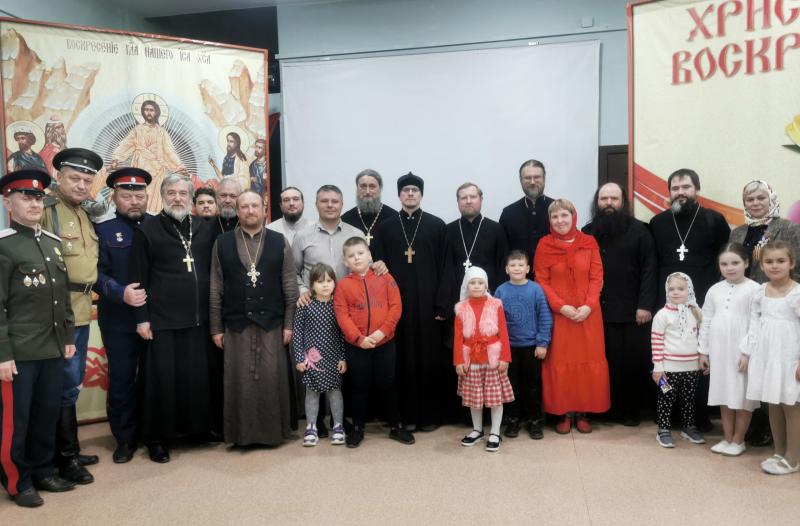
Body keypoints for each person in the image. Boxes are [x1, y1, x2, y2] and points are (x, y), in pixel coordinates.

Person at [0, 169, 77, 508]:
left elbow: (62, 295)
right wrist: (3, 354)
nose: (34, 204)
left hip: (52, 347)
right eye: (25, 197)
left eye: (38, 198)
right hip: (19, 352)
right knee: (17, 422)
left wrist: (68, 335)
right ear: (8, 203)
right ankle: (18, 481)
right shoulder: (4, 246)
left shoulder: (52, 243)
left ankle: (44, 470)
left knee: (46, 414)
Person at [128, 174, 218, 463]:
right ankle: (157, 438)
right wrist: (141, 319)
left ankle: (197, 429)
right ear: (163, 195)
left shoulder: (205, 228)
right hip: (162, 320)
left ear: (191, 197)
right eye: (171, 192)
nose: (177, 198)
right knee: (162, 383)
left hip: (199, 319)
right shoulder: (147, 230)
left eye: (182, 193)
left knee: (196, 379)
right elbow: (137, 279)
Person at [210, 190, 298, 446]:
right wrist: (216, 328)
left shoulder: (279, 241)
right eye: (245, 206)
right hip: (236, 325)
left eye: (255, 206)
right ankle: (241, 435)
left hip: (272, 324)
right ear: (237, 211)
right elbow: (216, 287)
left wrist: (289, 324)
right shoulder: (222, 242)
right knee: (240, 381)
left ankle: (274, 434)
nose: (250, 210)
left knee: (271, 378)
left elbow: (290, 286)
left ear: (264, 209)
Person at [649, 168, 730, 431]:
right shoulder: (658, 223)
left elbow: (725, 261)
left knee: (698, 360)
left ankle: (697, 416)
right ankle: (666, 414)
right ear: (669, 192)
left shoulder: (714, 220)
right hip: (667, 304)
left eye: (686, 187)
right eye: (675, 188)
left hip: (703, 303)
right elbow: (652, 263)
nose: (680, 192)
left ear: (697, 189)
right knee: (664, 360)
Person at [40, 147, 102, 485]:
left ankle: (70, 451)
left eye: (87, 181)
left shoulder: (83, 213)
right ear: (58, 177)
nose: (81, 185)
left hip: (80, 310)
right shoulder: (48, 210)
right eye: (74, 178)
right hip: (57, 313)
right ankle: (63, 460)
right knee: (61, 385)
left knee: (71, 384)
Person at [371, 172, 450, 431]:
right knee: (400, 360)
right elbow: (377, 267)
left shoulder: (437, 226)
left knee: (429, 358)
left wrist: (442, 304)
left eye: (415, 190)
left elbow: (446, 268)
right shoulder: (386, 228)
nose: (410, 194)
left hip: (428, 306)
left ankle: (429, 416)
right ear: (399, 195)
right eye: (406, 190)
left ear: (421, 194)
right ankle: (403, 416)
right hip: (396, 306)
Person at [730, 180, 800, 447]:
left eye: (761, 197)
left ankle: (772, 431)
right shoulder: (738, 232)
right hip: (744, 305)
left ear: (771, 199)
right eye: (750, 199)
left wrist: (785, 292)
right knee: (751, 364)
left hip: (779, 304)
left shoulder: (790, 228)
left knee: (775, 367)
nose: (756, 203)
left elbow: (796, 265)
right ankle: (753, 423)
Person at [582, 182, 657, 425]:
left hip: (634, 312)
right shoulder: (587, 232)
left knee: (633, 364)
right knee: (605, 364)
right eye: (604, 199)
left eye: (614, 199)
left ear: (623, 202)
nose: (609, 203)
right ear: (597, 202)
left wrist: (645, 305)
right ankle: (603, 410)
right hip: (597, 312)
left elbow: (649, 269)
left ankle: (631, 412)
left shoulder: (640, 231)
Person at [534, 198, 610, 434]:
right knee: (560, 362)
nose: (560, 220)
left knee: (587, 362)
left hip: (588, 315)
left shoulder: (589, 242)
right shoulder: (544, 244)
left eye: (564, 215)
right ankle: (563, 413)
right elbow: (541, 280)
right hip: (559, 316)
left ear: (573, 217)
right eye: (555, 216)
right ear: (550, 220)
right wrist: (560, 306)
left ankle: (583, 412)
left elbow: (597, 277)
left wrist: (589, 305)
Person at [93, 167, 152, 463]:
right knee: (122, 378)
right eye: (127, 196)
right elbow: (95, 274)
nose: (134, 201)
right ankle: (125, 438)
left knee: (154, 377)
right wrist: (120, 293)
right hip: (119, 319)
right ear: (115, 197)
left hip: (155, 318)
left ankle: (153, 433)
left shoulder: (158, 226)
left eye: (139, 195)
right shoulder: (102, 231)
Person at [333, 237, 412, 448]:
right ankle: (358, 428)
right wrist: (358, 339)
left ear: (369, 255)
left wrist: (382, 332)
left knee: (388, 384)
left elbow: (396, 306)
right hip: (357, 346)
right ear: (345, 261)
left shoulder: (386, 278)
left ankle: (396, 425)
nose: (357, 258)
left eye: (360, 253)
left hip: (385, 343)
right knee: (359, 386)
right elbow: (342, 315)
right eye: (351, 256)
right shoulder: (343, 285)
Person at [742, 241, 800, 475]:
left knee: (791, 405)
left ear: (791, 263)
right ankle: (780, 451)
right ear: (762, 265)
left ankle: (793, 459)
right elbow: (755, 323)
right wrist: (748, 352)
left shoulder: (797, 293)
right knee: (773, 403)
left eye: (780, 261)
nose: (774, 265)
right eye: (769, 261)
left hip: (790, 357)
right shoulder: (760, 291)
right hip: (767, 356)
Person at [698, 243, 760, 456]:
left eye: (735, 263)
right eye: (724, 264)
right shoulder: (714, 289)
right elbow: (706, 320)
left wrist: (747, 352)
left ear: (746, 263)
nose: (730, 268)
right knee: (723, 392)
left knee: (742, 396)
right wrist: (703, 351)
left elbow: (757, 323)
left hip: (742, 352)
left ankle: (738, 440)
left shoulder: (755, 289)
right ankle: (727, 438)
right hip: (719, 350)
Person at [454, 266, 514, 452]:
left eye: (480, 283)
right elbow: (458, 338)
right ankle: (477, 430)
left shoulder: (496, 305)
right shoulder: (461, 308)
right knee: (475, 397)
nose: (477, 286)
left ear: (486, 286)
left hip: (492, 359)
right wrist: (458, 361)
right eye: (472, 283)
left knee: (495, 397)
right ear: (466, 286)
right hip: (472, 360)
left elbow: (503, 332)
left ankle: (495, 432)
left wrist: (505, 357)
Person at [494, 250, 552, 439]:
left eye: (520, 265)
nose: (517, 268)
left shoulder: (536, 289)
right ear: (506, 269)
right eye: (513, 265)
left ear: (528, 268)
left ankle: (534, 420)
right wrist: (498, 347)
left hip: (531, 347)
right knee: (511, 386)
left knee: (533, 386)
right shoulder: (500, 291)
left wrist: (542, 343)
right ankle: (513, 419)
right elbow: (494, 320)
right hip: (508, 348)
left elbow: (545, 316)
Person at [292, 263, 347, 446]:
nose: (325, 285)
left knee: (335, 393)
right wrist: (299, 358)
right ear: (311, 285)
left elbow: (343, 334)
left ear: (335, 283)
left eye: (329, 281)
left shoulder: (338, 305)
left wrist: (343, 357)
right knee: (312, 393)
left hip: (333, 358)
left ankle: (338, 426)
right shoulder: (305, 306)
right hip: (311, 360)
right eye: (320, 281)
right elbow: (298, 333)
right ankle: (311, 427)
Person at [651, 272, 705, 448]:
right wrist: (658, 367)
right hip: (667, 370)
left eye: (680, 288)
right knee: (665, 397)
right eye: (671, 289)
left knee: (688, 399)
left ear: (689, 290)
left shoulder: (697, 312)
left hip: (692, 367)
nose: (675, 292)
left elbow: (703, 336)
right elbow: (656, 342)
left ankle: (688, 427)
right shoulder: (662, 315)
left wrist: (703, 356)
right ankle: (663, 430)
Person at [111, 99, 189, 214]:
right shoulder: (137, 130)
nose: (148, 113)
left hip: (158, 169)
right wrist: (116, 158)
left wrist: (179, 166)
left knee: (154, 200)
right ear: (142, 112)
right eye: (146, 110)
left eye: (151, 110)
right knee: (139, 194)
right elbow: (126, 144)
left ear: (156, 112)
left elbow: (169, 151)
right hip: (141, 167)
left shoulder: (161, 132)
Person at [439, 182, 508, 311]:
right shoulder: (448, 230)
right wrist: (444, 304)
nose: (468, 201)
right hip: (456, 301)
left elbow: (502, 266)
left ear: (481, 199)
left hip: (489, 298)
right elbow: (445, 270)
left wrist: (499, 299)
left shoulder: (496, 229)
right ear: (458, 202)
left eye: (473, 197)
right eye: (463, 198)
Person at [293, 185, 366, 301]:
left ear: (342, 205)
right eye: (324, 201)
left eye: (335, 201)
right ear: (316, 205)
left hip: (351, 302)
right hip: (316, 304)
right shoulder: (302, 236)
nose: (330, 205)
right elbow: (293, 272)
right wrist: (302, 289)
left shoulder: (357, 234)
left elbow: (367, 268)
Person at [499, 159, 555, 270]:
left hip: (553, 275)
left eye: (537, 177)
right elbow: (502, 252)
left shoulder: (559, 209)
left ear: (544, 179)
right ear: (521, 180)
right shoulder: (508, 213)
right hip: (519, 277)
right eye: (528, 178)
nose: (532, 182)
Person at [341, 169, 397, 247]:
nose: (367, 191)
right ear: (357, 189)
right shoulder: (345, 220)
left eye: (372, 186)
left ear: (380, 189)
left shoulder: (394, 217)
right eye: (363, 186)